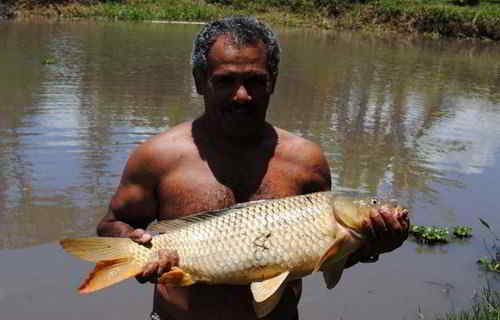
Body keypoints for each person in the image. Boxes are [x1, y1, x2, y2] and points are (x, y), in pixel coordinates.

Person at [96, 16, 409, 320]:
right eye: (225, 81)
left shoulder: (306, 160)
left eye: (255, 81)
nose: (241, 95)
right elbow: (113, 225)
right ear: (199, 81)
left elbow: (323, 254)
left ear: (272, 81)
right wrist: (140, 247)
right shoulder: (157, 156)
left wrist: (371, 246)